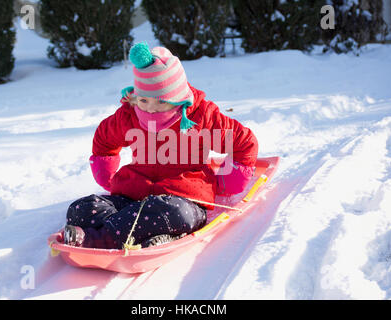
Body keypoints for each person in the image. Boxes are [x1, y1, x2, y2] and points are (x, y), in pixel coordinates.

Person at [62, 42, 258, 249]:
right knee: (81, 209)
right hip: (133, 196)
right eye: (144, 101)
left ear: (179, 98)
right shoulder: (130, 114)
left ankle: (100, 238)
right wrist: (106, 174)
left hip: (183, 199)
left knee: (174, 214)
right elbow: (105, 138)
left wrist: (229, 181)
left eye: (161, 101)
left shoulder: (201, 117)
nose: (152, 109)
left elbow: (243, 141)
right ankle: (139, 233)